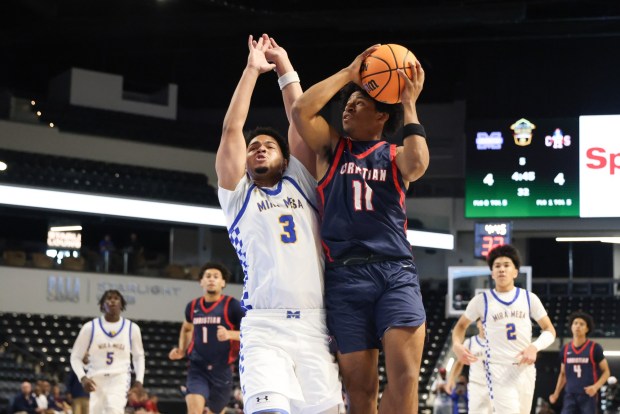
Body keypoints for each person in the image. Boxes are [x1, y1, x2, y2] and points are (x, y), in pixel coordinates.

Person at [291, 44, 429, 413]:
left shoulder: (395, 155)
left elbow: (418, 165)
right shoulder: (331, 149)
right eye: (348, 103)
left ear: (382, 116)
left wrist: (409, 103)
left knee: (406, 379)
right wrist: (350, 74)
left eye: (359, 103)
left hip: (394, 271)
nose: (348, 106)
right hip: (345, 278)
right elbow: (301, 109)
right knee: (360, 392)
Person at [216, 34, 342, 413]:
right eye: (254, 148)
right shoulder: (238, 196)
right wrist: (253, 70)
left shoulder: (301, 183)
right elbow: (231, 131)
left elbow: (299, 118)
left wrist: (284, 67)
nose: (259, 148)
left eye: (269, 146)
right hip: (264, 328)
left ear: (285, 162)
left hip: (314, 326)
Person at [452, 244, 556, 414]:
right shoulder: (481, 301)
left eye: (506, 265)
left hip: (526, 369)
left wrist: (534, 346)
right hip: (498, 370)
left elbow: (549, 330)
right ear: (492, 273)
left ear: (515, 272)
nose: (501, 269)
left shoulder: (529, 298)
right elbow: (460, 327)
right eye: (497, 266)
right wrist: (457, 345)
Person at [168, 262, 244, 414]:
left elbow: (251, 333)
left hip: (222, 369)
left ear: (223, 282)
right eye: (207, 276)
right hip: (197, 367)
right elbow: (187, 327)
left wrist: (230, 334)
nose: (211, 279)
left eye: (216, 277)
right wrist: (182, 349)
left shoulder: (233, 306)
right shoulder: (192, 306)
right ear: (201, 281)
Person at [69, 289, 145, 414]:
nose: (112, 301)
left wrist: (139, 381)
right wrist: (83, 378)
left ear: (122, 304)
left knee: (113, 410)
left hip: (119, 378)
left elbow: (138, 357)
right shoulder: (90, 327)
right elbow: (75, 357)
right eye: (108, 299)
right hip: (95, 379)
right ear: (102, 305)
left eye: (116, 298)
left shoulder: (132, 328)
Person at [549, 311, 610, 413]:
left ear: (587, 328)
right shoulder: (565, 349)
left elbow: (606, 371)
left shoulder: (595, 348)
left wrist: (596, 387)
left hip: (588, 395)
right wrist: (556, 394)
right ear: (571, 327)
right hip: (570, 395)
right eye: (575, 323)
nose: (578, 326)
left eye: (581, 324)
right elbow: (563, 374)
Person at [447, 319, 492, 414]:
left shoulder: (497, 342)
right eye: (481, 321)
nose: (484, 324)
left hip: (494, 385)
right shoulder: (470, 342)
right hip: (476, 386)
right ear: (477, 324)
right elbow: (459, 363)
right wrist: (451, 379)